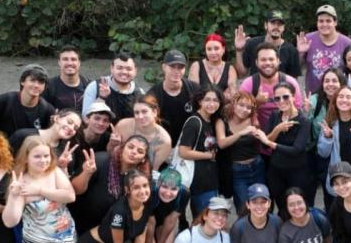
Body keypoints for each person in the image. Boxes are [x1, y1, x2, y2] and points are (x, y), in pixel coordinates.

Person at [70, 135, 151, 243]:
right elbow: (75, 189)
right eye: (131, 147)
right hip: (89, 223)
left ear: (143, 158)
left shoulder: (137, 178)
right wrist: (87, 173)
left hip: (115, 230)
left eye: (139, 151)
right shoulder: (101, 161)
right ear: (123, 147)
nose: (134, 152)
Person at [262, 82, 312, 217]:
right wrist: (277, 130)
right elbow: (264, 144)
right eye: (277, 98)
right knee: (282, 209)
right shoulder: (274, 116)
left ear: (293, 96)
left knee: (298, 208)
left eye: (285, 97)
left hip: (297, 172)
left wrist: (271, 143)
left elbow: (296, 150)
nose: (281, 101)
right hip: (276, 171)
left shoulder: (304, 121)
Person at [215, 91, 269, 209]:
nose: (245, 110)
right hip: (238, 170)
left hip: (257, 166)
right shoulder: (222, 121)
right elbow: (222, 143)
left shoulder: (253, 120)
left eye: (249, 108)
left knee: (261, 202)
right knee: (243, 206)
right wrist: (241, 133)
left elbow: (264, 140)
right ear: (234, 104)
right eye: (241, 105)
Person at [317, 85, 351, 198]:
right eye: (341, 96)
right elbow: (323, 153)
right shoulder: (330, 120)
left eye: (348, 97)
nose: (344, 100)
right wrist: (327, 137)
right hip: (341, 175)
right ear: (335, 101)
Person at [177, 87, 224, 216]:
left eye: (215, 100)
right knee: (204, 218)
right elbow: (183, 152)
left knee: (205, 217)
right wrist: (208, 155)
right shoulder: (194, 122)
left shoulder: (211, 121)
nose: (211, 104)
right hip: (198, 181)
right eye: (207, 100)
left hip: (209, 179)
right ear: (200, 101)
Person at [238, 42, 305, 128]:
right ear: (256, 62)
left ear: (278, 61)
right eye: (263, 60)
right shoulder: (248, 84)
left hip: (286, 128)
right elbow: (239, 115)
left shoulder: (290, 82)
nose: (268, 63)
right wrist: (257, 103)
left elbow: (298, 112)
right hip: (257, 130)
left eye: (271, 59)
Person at [306, 69, 346, 207]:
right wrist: (306, 112)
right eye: (327, 81)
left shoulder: (346, 100)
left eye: (334, 81)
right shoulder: (315, 100)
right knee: (323, 191)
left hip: (340, 153)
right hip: (318, 154)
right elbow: (305, 125)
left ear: (341, 83)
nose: (330, 84)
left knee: (339, 193)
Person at [297, 4, 351, 93]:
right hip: (313, 95)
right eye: (321, 21)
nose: (324, 24)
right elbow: (297, 69)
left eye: (328, 21)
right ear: (317, 23)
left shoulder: (347, 43)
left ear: (335, 22)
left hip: (338, 95)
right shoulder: (308, 39)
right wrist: (300, 53)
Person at [0, 64, 56, 138]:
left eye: (41, 82)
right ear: (22, 81)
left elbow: (48, 138)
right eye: (32, 80)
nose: (36, 85)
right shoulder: (4, 101)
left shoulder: (47, 110)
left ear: (45, 86)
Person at [234, 10, 302, 79]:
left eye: (280, 24)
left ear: (283, 28)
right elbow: (241, 74)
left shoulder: (291, 50)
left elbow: (293, 81)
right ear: (266, 25)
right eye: (273, 23)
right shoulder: (252, 43)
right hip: (256, 85)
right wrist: (239, 50)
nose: (276, 27)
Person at [114, 96, 173, 171]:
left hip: (141, 173)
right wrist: (112, 144)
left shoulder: (164, 141)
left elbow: (153, 169)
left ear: (154, 112)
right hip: (117, 166)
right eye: (136, 113)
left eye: (144, 112)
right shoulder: (123, 125)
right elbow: (110, 153)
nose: (140, 116)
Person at [81, 52, 144, 123]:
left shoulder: (140, 93)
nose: (124, 72)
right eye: (119, 68)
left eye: (129, 69)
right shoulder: (95, 86)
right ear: (112, 68)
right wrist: (102, 98)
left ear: (135, 71)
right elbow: (86, 119)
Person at [43, 45, 91, 111]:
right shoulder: (48, 87)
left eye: (73, 59)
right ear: (59, 63)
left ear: (79, 63)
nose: (69, 63)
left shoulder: (90, 86)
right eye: (65, 59)